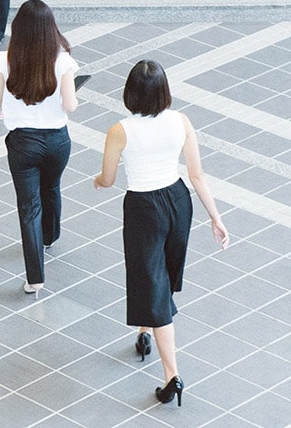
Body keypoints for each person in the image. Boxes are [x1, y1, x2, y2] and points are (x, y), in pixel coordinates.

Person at [94, 60, 230, 407]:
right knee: (159, 277)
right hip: (178, 201)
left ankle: (172, 376)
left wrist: (97, 181)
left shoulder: (120, 130)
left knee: (152, 284)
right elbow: (197, 174)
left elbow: (108, 179)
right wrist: (216, 217)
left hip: (144, 209)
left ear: (130, 93)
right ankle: (144, 331)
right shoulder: (181, 121)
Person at [0, 0, 78, 295]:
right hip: (56, 141)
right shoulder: (63, 61)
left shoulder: (5, 60)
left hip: (22, 143)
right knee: (51, 187)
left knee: (28, 207)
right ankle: (50, 235)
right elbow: (71, 106)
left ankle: (35, 277)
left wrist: (3, 110)